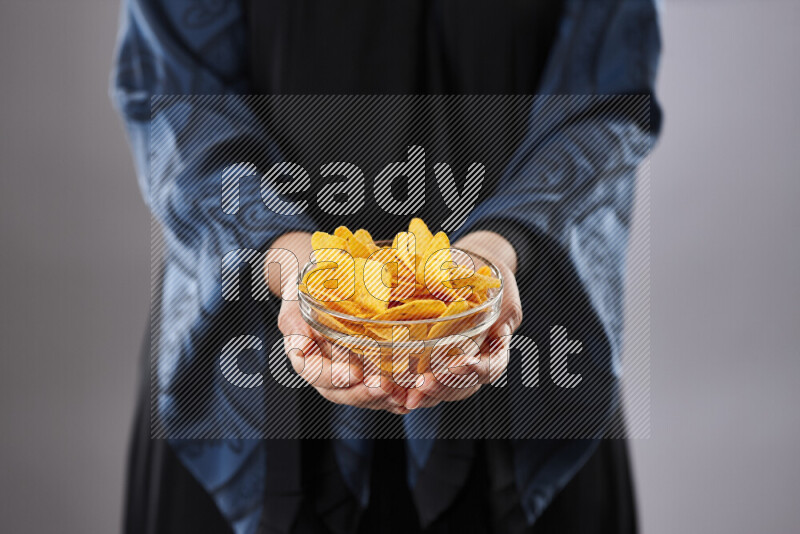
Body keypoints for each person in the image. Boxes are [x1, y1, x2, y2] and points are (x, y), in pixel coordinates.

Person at [112, 1, 661, 533]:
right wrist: (287, 255)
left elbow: (608, 95)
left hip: (518, 365)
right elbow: (172, 88)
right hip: (249, 377)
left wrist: (500, 252)